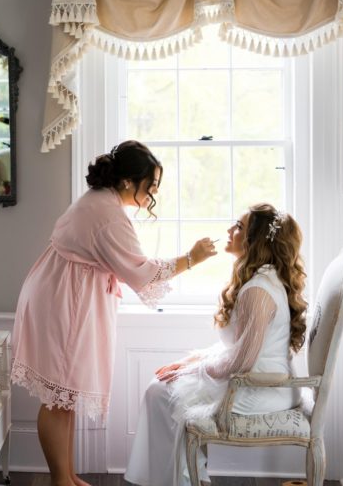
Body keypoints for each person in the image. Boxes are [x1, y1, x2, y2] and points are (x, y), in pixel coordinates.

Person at [10, 140, 218, 486]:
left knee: (66, 394)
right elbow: (141, 272)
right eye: (149, 185)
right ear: (126, 182)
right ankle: (60, 480)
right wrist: (191, 258)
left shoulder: (101, 203)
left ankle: (67, 475)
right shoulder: (108, 214)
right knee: (58, 397)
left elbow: (125, 266)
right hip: (63, 303)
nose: (152, 193)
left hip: (62, 295)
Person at [124, 203, 308, 486]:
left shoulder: (258, 291)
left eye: (239, 227)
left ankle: (178, 480)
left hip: (259, 390)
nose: (229, 231)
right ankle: (177, 478)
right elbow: (238, 350)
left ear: (254, 241)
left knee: (159, 393)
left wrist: (197, 370)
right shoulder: (261, 280)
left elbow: (241, 361)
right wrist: (191, 363)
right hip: (256, 381)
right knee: (160, 388)